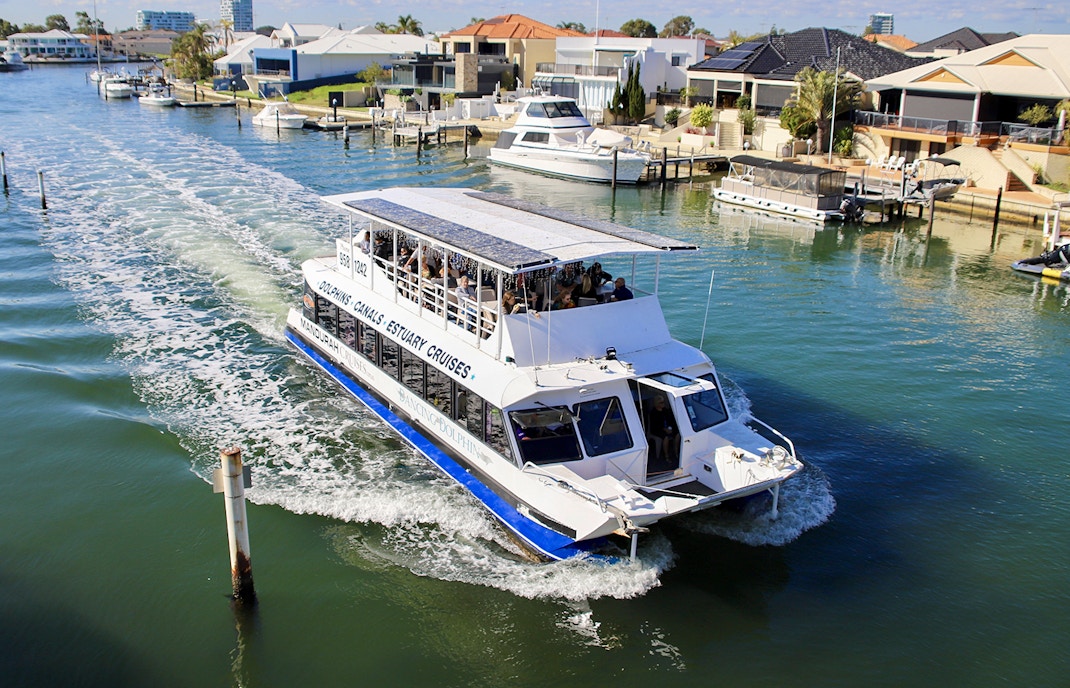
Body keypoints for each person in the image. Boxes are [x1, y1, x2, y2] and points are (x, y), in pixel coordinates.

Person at [645, 394, 679, 464]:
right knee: (665, 437)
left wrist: (670, 428)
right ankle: (666, 456)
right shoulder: (653, 413)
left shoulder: (665, 410)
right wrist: (664, 429)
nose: (663, 404)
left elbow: (670, 420)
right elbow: (655, 426)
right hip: (657, 430)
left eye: (663, 402)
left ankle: (676, 452)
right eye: (661, 402)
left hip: (667, 428)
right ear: (657, 403)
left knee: (677, 433)